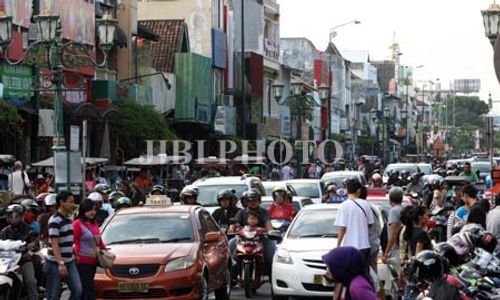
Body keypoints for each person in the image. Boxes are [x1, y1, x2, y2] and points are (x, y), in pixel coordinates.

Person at [46, 192, 82, 300]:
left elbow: (68, 240)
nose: (73, 204)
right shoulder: (54, 220)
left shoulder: (68, 219)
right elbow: (54, 243)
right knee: (53, 295)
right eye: (70, 202)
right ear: (62, 202)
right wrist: (61, 264)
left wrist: (74, 252)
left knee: (77, 290)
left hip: (69, 261)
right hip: (54, 262)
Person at [0, 204, 39, 300]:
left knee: (30, 281)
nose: (13, 219)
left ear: (21, 217)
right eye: (11, 216)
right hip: (7, 263)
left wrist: (31, 248)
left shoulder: (29, 230)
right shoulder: (4, 231)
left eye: (16, 216)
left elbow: (35, 245)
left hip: (23, 261)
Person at [229, 189, 274, 270]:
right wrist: (232, 229)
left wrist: (271, 231)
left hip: (261, 239)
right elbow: (235, 223)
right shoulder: (241, 212)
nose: (252, 202)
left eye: (255, 200)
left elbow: (268, 223)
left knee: (271, 254)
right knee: (230, 244)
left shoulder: (264, 212)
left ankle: (271, 275)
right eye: (250, 200)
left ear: (259, 201)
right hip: (242, 239)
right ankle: (231, 273)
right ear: (246, 202)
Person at [335, 179, 374, 265]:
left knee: (350, 274)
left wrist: (338, 245)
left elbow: (342, 228)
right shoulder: (366, 204)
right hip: (364, 245)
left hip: (349, 247)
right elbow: (370, 223)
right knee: (363, 273)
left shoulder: (343, 206)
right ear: (358, 190)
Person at [73, 199, 106, 300]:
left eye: (94, 209)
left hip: (93, 262)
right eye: (90, 210)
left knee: (86, 290)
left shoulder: (94, 223)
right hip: (81, 262)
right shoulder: (77, 224)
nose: (93, 212)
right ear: (83, 211)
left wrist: (105, 252)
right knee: (89, 290)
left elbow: (99, 241)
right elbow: (72, 242)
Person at [382, 187, 404, 278]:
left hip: (396, 250)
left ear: (390, 199)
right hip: (402, 248)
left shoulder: (394, 211)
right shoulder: (404, 209)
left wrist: (386, 252)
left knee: (396, 276)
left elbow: (394, 233)